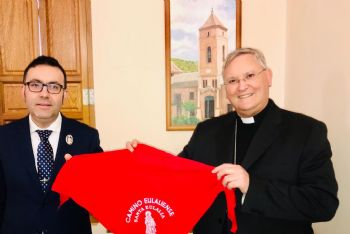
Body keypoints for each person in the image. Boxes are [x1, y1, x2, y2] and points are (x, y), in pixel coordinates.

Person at [127, 47, 339, 234]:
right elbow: (177, 176)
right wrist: (143, 159)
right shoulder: (207, 131)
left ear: (269, 77)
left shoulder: (306, 131)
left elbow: (323, 203)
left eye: (249, 76)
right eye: (232, 81)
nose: (241, 86)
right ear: (226, 89)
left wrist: (251, 186)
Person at [0, 56, 103, 234]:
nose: (44, 94)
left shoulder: (86, 138)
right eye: (35, 85)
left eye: (54, 87)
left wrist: (132, 159)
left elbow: (103, 194)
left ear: (65, 94)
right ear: (23, 91)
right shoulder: (3, 137)